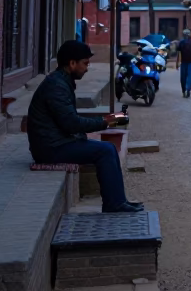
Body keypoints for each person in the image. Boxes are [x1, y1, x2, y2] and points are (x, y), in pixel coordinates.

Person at [28, 40, 142, 214]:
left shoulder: (60, 82)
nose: (87, 68)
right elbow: (72, 124)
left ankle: (118, 201)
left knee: (108, 149)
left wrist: (106, 121)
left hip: (55, 143)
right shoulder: (56, 86)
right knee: (105, 150)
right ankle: (115, 204)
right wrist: (108, 121)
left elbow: (69, 122)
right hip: (50, 149)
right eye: (85, 63)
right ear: (72, 63)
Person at [177, 28, 191, 98]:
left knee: (183, 78)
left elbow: (178, 53)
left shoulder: (181, 42)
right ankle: (187, 89)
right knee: (190, 77)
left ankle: (184, 90)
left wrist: (177, 63)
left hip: (183, 62)